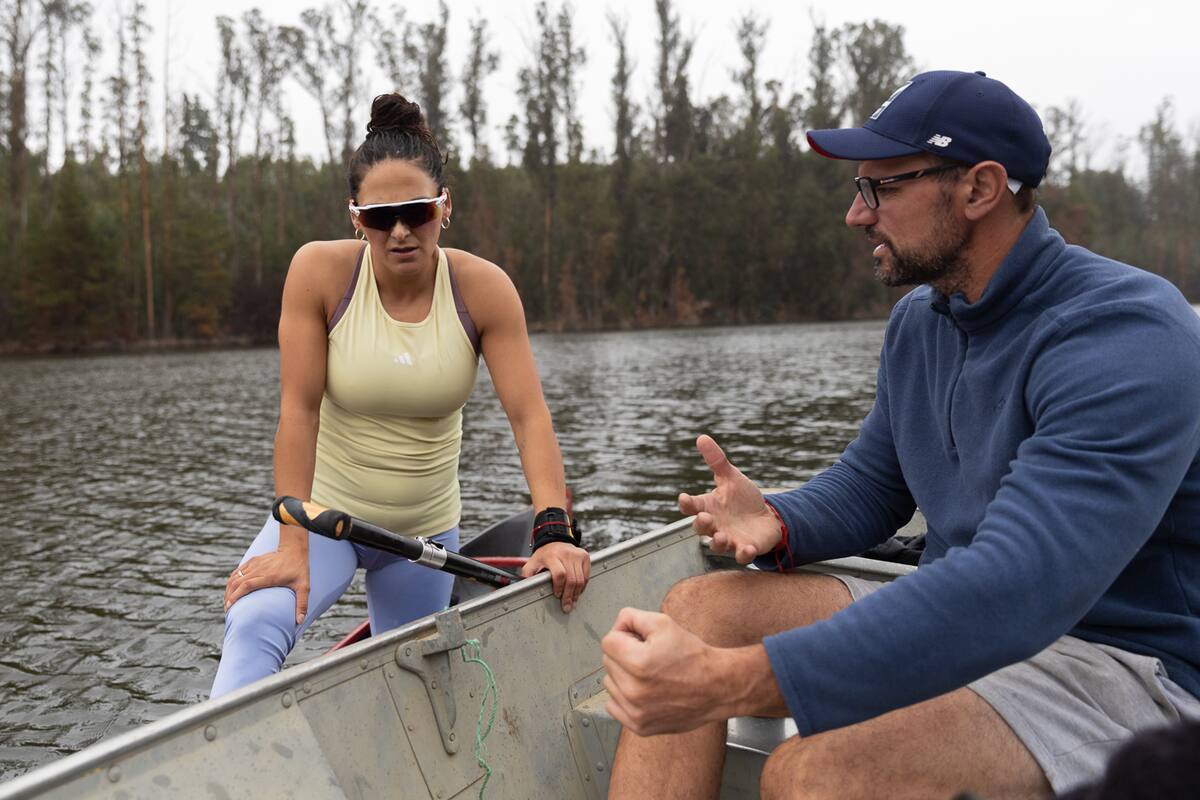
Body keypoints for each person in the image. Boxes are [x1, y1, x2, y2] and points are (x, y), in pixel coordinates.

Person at [601, 70, 1200, 799]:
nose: (857, 215)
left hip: (1118, 662)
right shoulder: (925, 319)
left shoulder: (1126, 331)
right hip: (972, 616)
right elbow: (875, 484)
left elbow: (1016, 586)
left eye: (880, 189)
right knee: (703, 610)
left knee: (814, 777)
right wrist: (780, 516)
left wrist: (728, 684)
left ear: (979, 189)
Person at [211, 93, 590, 698]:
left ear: (445, 206)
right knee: (255, 622)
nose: (400, 231)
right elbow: (298, 411)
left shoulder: (484, 290)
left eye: (416, 211)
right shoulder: (318, 273)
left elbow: (528, 415)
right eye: (379, 217)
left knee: (418, 689)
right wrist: (290, 543)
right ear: (354, 218)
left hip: (424, 537)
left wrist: (553, 529)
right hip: (323, 521)